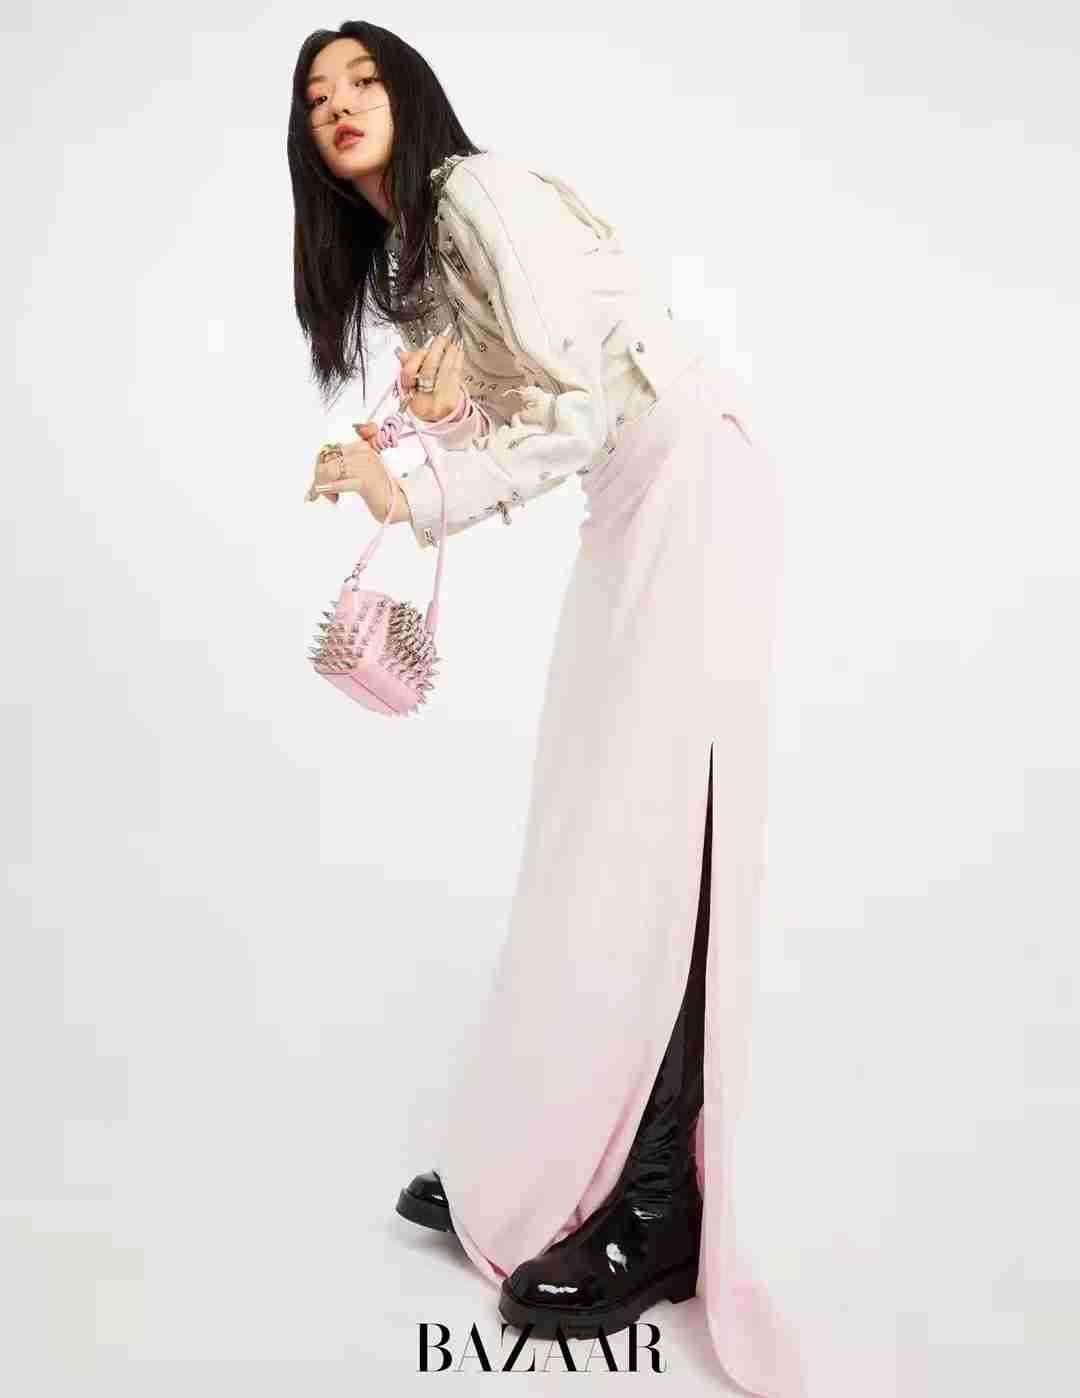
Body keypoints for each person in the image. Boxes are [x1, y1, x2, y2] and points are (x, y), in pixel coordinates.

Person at [290, 22, 805, 1397]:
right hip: (637, 495)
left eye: (364, 79)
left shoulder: (475, 194)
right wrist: (412, 430)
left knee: (660, 824)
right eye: (318, 96)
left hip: (689, 473)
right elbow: (525, 400)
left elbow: (577, 402)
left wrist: (419, 487)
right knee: (598, 819)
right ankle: (553, 1158)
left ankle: (661, 1202)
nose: (341, 104)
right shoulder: (418, 257)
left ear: (412, 94)